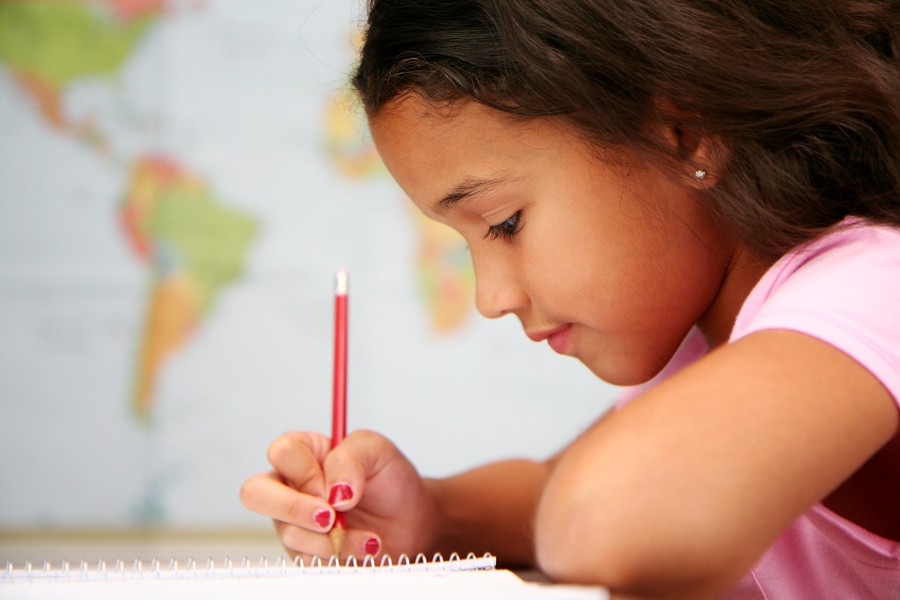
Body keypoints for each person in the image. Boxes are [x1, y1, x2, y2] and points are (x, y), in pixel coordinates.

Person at [240, 1, 900, 597]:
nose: (491, 298)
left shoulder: (869, 287)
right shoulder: (702, 336)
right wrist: (428, 516)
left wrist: (575, 511)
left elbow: (601, 520)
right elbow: (553, 492)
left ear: (686, 136)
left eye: (504, 223)